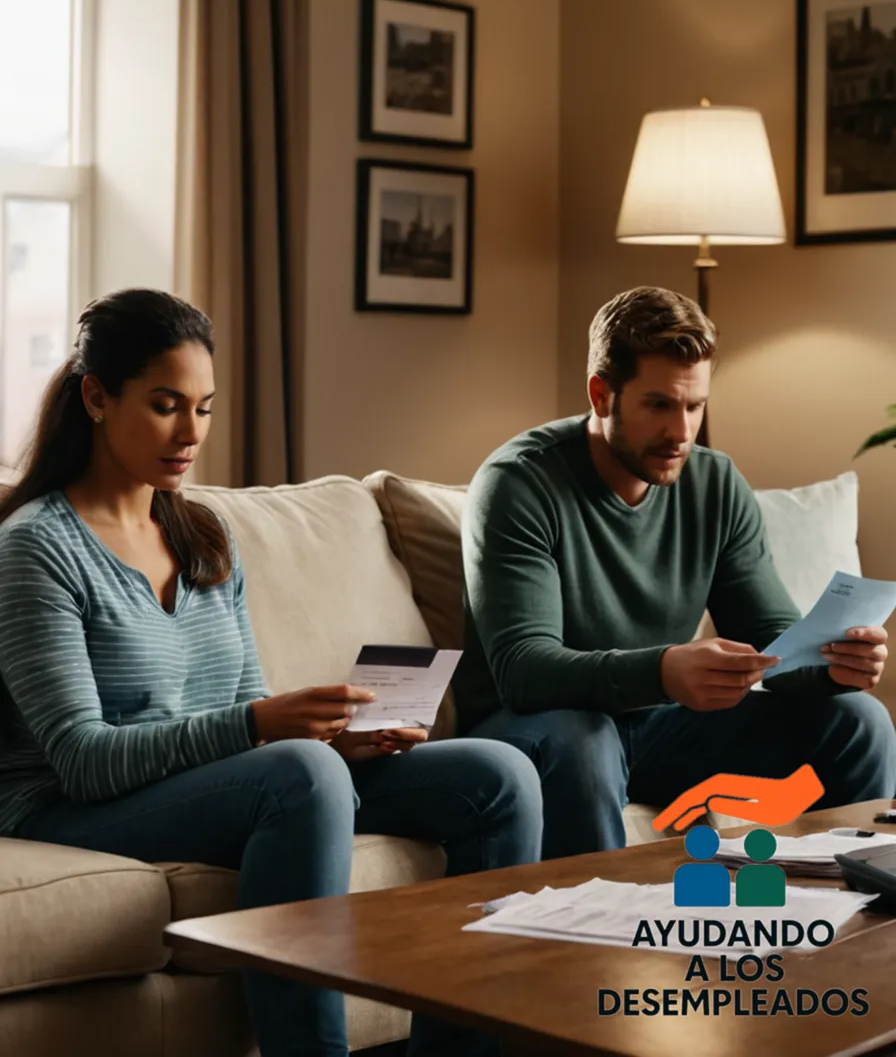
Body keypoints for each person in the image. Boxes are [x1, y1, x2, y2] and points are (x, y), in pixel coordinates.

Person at [0, 288, 544, 1057]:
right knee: (300, 774)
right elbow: (83, 760)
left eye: (205, 407)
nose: (192, 432)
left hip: (204, 781)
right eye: (165, 405)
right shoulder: (36, 548)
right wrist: (267, 728)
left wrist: (337, 736)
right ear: (96, 396)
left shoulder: (201, 535)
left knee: (499, 773)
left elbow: (244, 702)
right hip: (71, 805)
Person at [454, 285, 894, 860]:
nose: (682, 432)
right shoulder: (519, 484)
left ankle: (847, 924)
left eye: (694, 406)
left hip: (664, 729)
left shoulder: (714, 484)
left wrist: (835, 665)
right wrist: (663, 671)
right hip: (535, 730)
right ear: (602, 395)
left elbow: (776, 644)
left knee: (857, 719)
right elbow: (524, 671)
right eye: (659, 405)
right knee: (581, 739)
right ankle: (589, 935)